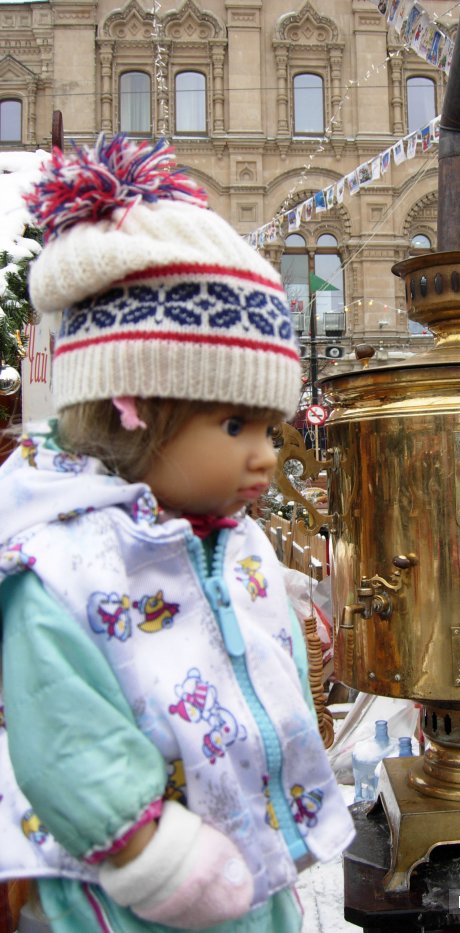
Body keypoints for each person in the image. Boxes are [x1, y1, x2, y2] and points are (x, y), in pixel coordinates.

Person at [0, 134, 354, 932]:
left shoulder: (230, 531)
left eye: (270, 424)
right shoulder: (59, 559)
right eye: (237, 423)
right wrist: (153, 858)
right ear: (136, 407)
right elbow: (63, 730)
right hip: (129, 890)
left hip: (249, 864)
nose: (267, 454)